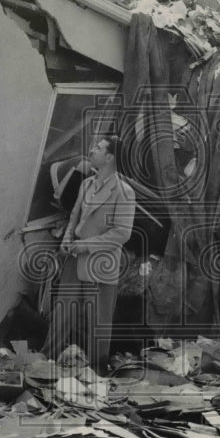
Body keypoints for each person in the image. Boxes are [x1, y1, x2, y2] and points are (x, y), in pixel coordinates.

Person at [43, 136, 135, 373]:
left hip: (100, 262)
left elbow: (122, 233)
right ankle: (46, 363)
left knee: (98, 322)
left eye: (98, 148)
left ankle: (97, 372)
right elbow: (74, 218)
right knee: (62, 314)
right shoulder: (86, 185)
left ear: (110, 157)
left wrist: (86, 245)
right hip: (74, 259)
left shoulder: (124, 192)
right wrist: (67, 241)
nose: (92, 150)